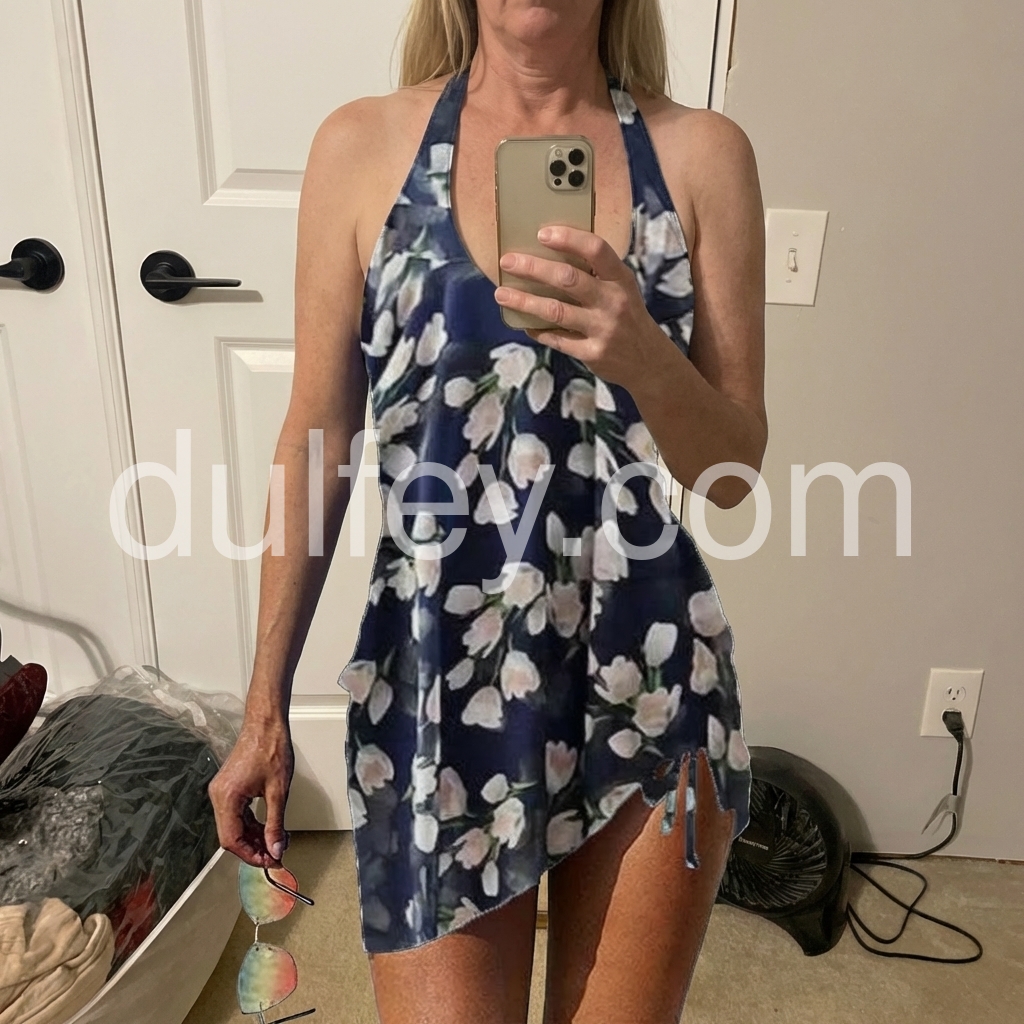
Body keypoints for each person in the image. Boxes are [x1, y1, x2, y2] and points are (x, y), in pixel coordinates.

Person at [209, 1, 767, 1021]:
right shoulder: (360, 146)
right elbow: (317, 437)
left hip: (647, 677)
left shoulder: (702, 155)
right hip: (433, 686)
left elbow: (730, 473)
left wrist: (643, 353)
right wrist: (263, 711)